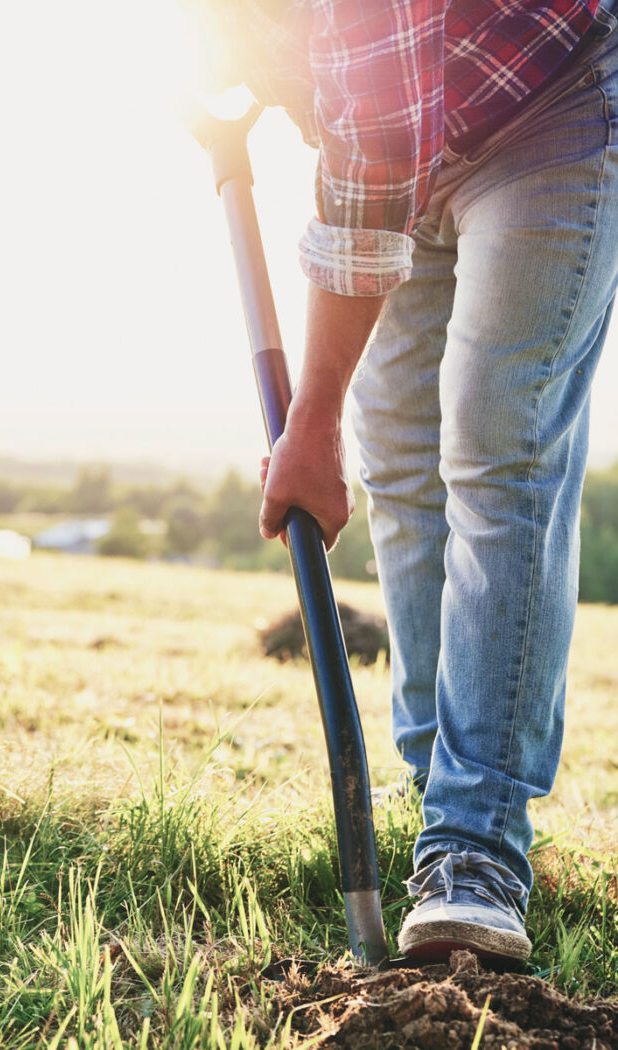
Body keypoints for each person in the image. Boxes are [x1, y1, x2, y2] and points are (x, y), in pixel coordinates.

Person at [201, 0, 618, 961]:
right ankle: (441, 802)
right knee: (397, 453)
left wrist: (310, 421)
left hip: (549, 99)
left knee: (496, 442)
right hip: (414, 142)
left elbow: (370, 165)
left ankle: (477, 848)